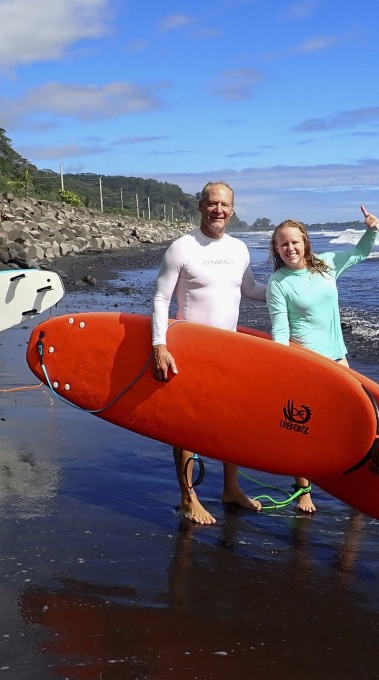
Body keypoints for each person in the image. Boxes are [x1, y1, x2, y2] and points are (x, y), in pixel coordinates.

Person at [152, 181, 267, 525]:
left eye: (225, 205)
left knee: (232, 423)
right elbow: (160, 299)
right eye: (212, 203)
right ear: (201, 206)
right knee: (188, 427)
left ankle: (231, 488)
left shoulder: (239, 249)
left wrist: (289, 286)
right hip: (190, 349)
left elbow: (249, 289)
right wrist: (159, 345)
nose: (219, 210)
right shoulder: (182, 248)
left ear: (233, 210)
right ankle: (189, 498)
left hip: (229, 350)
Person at [266, 205, 379, 513]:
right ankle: (303, 490)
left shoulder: (327, 264)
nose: (290, 248)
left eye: (294, 242)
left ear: (305, 242)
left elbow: (360, 253)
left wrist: (371, 229)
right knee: (303, 429)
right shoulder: (279, 283)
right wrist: (283, 366)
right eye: (283, 244)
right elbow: (279, 330)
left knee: (353, 425)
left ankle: (354, 483)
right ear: (276, 249)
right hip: (306, 363)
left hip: (338, 358)